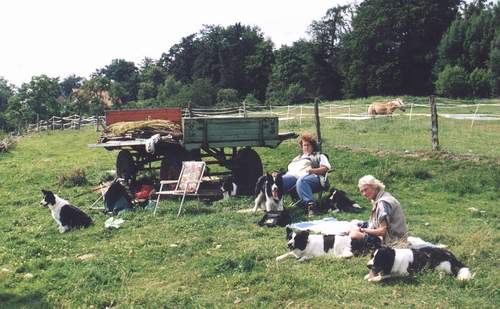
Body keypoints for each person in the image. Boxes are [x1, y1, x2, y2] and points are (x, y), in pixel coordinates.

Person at [349, 175, 408, 246]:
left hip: (392, 241)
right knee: (354, 223)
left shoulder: (382, 203)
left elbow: (382, 231)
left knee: (354, 234)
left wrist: (362, 230)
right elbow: (376, 223)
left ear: (374, 187)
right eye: (362, 191)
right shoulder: (384, 196)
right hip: (393, 236)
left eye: (366, 190)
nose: (364, 194)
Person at [282, 132, 331, 214]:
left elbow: (325, 168)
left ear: (313, 146)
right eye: (304, 145)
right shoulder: (297, 158)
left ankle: (311, 206)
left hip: (313, 178)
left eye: (308, 145)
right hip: (293, 178)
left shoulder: (319, 156)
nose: (306, 147)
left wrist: (313, 170)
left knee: (302, 180)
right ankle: (273, 205)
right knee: (279, 180)